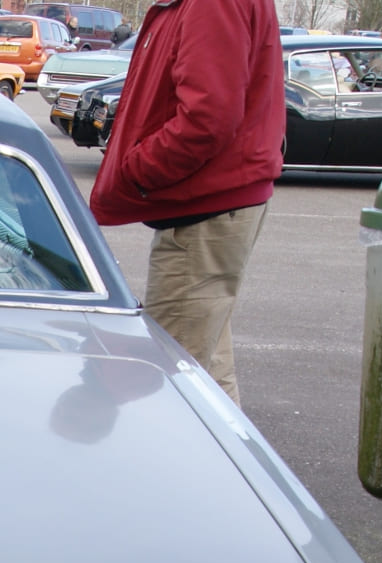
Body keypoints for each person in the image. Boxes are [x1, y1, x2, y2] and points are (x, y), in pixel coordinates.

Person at [87, 0, 283, 405]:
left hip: (204, 209)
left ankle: (175, 468)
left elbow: (207, 118)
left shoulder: (211, 5)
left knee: (166, 386)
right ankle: (229, 464)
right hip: (212, 203)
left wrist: (134, 170)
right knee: (203, 375)